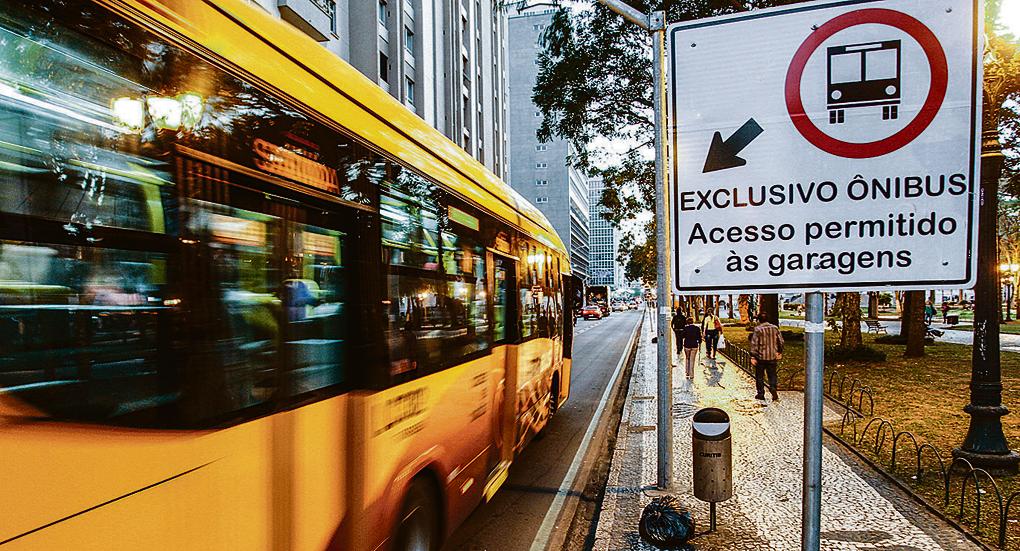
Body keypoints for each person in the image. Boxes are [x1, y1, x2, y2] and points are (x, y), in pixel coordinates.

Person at [749, 312, 784, 402]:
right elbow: (780, 341)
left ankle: (761, 393)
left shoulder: (758, 329)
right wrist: (779, 351)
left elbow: (754, 344)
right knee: (772, 375)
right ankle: (773, 388)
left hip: (761, 357)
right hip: (772, 356)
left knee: (760, 376)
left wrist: (753, 356)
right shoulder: (775, 328)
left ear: (759, 320)